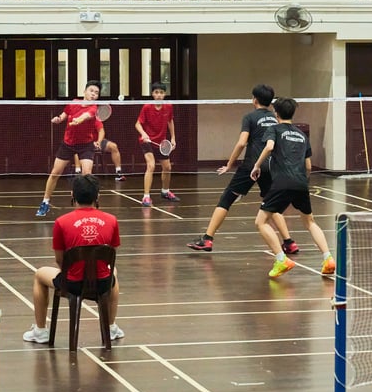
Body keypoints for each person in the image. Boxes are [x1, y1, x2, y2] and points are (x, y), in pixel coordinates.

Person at [187, 84, 300, 256]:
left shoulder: (250, 117)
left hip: (251, 166)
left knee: (226, 199)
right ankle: (289, 243)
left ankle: (207, 239)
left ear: (254, 99)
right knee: (272, 205)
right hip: (272, 166)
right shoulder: (276, 117)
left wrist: (229, 164)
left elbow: (241, 143)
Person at [23, 174, 124, 343]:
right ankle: (111, 327)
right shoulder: (112, 220)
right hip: (102, 283)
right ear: (97, 196)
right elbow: (110, 256)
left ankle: (40, 331)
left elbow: (59, 259)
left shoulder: (62, 222)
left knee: (40, 274)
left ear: (72, 195)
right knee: (112, 271)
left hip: (72, 284)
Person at [250, 97, 335, 278]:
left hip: (281, 183)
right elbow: (309, 166)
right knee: (310, 222)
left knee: (261, 222)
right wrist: (302, 182)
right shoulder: (302, 135)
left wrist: (257, 165)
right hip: (301, 182)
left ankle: (281, 259)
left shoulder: (274, 129)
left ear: (276, 113)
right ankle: (328, 258)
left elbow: (270, 146)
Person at [36, 80, 101, 217]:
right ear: (84, 92)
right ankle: (45, 202)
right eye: (91, 91)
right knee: (55, 173)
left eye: (96, 93)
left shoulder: (94, 108)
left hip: (86, 145)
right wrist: (58, 119)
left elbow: (86, 115)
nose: (93, 94)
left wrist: (79, 120)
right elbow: (64, 115)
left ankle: (91, 203)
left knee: (87, 174)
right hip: (68, 144)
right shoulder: (73, 103)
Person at [135, 81, 179, 207]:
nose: (159, 95)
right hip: (146, 141)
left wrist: (173, 138)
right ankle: (146, 196)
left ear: (164, 94)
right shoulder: (147, 107)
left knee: (167, 167)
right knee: (151, 165)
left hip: (161, 142)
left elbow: (170, 121)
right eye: (156, 92)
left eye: (161, 92)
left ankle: (165, 191)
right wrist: (143, 134)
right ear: (153, 94)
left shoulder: (169, 106)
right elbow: (137, 124)